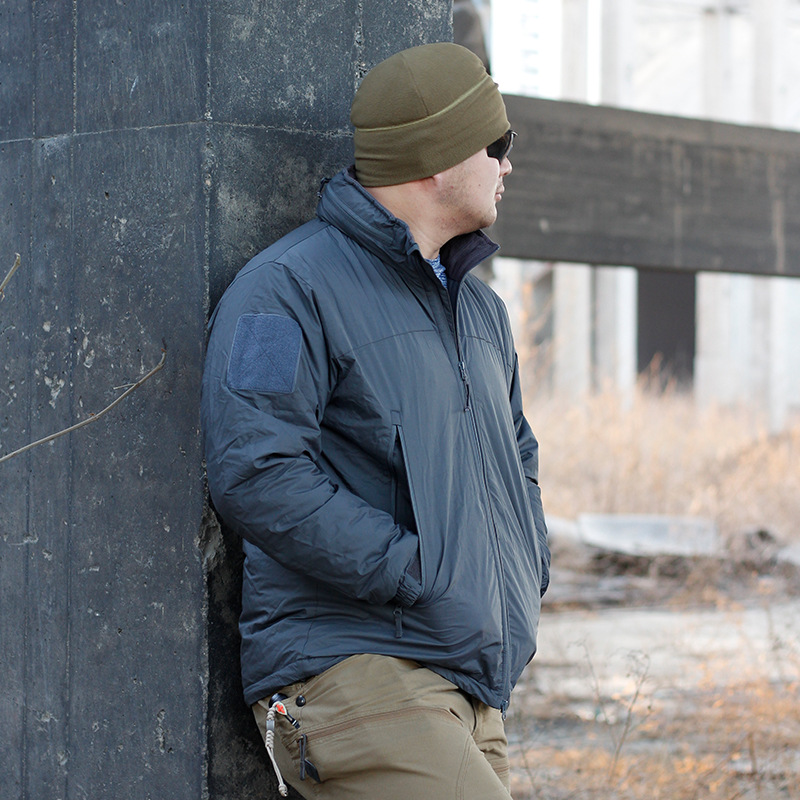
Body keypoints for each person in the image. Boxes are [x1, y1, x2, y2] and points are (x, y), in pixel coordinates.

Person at [201, 42, 550, 800]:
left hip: (468, 683)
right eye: (497, 144)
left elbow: (518, 457)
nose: (508, 165)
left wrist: (527, 566)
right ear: (436, 157)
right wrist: (416, 572)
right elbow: (255, 471)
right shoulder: (284, 291)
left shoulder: (482, 312)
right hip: (354, 672)